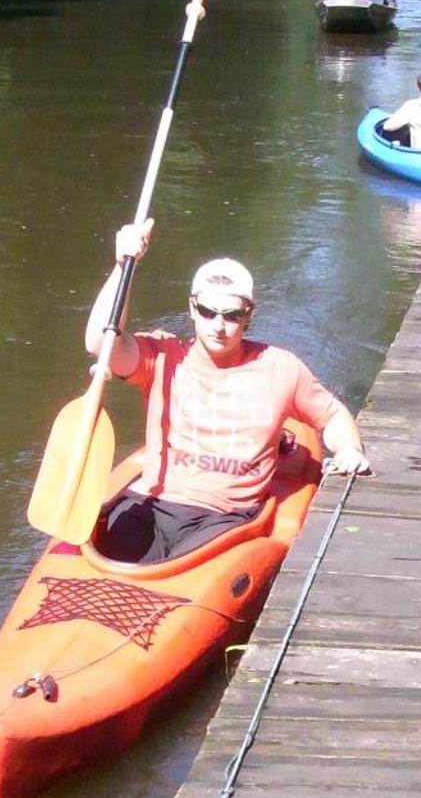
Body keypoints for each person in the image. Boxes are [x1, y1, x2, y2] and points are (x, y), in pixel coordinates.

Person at [83, 223, 371, 564]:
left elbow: (333, 415)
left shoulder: (281, 367)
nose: (218, 325)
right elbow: (100, 344)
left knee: (179, 568)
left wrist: (350, 448)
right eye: (207, 312)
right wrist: (123, 266)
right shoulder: (161, 355)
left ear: (248, 315)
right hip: (152, 504)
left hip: (224, 517)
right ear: (192, 309)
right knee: (112, 551)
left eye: (232, 315)